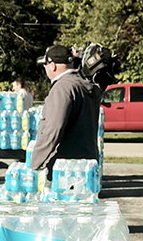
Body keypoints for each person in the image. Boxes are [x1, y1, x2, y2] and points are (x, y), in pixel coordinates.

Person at [29, 45, 104, 178]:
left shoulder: (62, 88)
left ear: (52, 66)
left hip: (64, 168)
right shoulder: (86, 85)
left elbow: (53, 129)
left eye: (45, 64)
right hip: (88, 163)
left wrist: (35, 164)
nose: (45, 68)